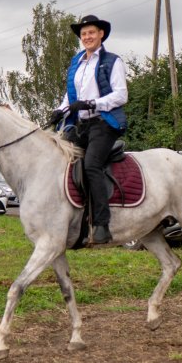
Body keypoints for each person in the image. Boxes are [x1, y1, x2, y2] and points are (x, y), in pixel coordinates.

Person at [48, 15, 128, 244]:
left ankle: (102, 224)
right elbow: (71, 97)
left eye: (91, 33)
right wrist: (60, 110)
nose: (87, 37)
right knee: (59, 159)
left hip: (104, 123)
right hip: (81, 124)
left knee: (92, 164)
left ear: (101, 34)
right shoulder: (77, 63)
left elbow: (121, 95)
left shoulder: (112, 61)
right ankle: (73, 220)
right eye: (83, 34)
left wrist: (93, 103)